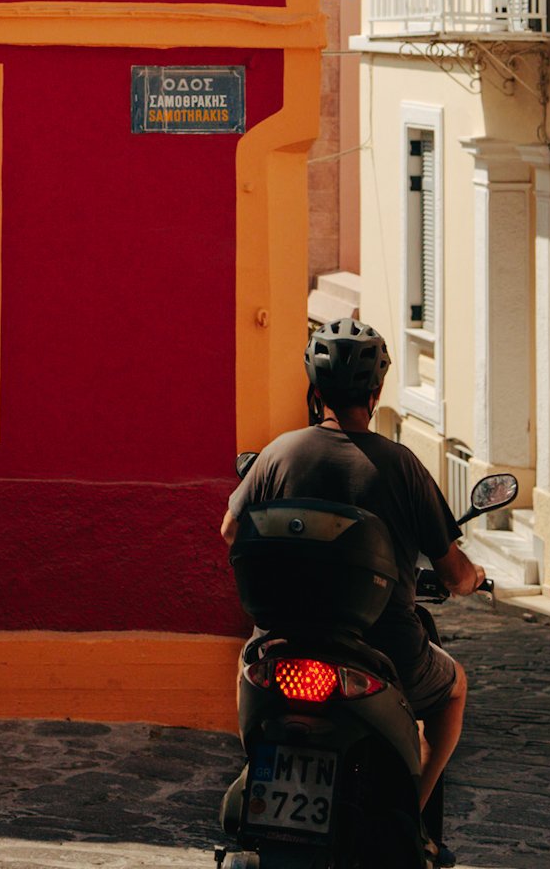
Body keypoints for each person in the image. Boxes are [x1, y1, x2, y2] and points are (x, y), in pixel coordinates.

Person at [221, 318, 486, 821]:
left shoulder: (279, 453)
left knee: (247, 667)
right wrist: (473, 579)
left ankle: (258, 770)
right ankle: (412, 816)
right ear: (377, 390)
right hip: (385, 645)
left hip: (284, 636)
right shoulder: (402, 466)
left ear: (314, 389)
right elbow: (453, 573)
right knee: (453, 690)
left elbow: (231, 533)